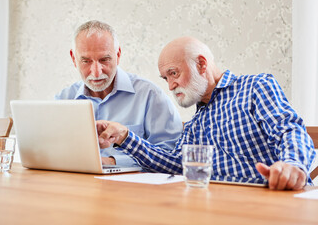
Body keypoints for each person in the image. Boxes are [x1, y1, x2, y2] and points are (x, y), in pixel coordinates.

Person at [97, 36, 316, 190]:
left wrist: (293, 164)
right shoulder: (195, 125)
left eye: (174, 73)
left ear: (201, 64)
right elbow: (174, 164)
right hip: (224, 208)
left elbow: (289, 129)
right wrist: (125, 137)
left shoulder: (255, 87)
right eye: (166, 79)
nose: (171, 86)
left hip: (278, 199)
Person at [55, 20, 183, 167]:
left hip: (132, 188)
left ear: (118, 55)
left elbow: (171, 156)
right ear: (73, 59)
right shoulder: (63, 99)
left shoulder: (150, 96)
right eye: (86, 61)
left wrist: (113, 162)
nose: (96, 72)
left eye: (104, 60)